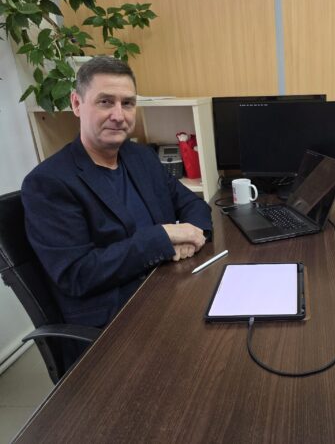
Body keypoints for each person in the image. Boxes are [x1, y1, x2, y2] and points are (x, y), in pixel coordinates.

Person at [22, 56, 212, 367]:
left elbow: (193, 205)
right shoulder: (49, 183)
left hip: (167, 289)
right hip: (114, 325)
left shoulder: (140, 157)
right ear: (77, 104)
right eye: (105, 102)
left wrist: (191, 237)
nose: (118, 115)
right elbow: (77, 274)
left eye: (128, 103)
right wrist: (164, 237)